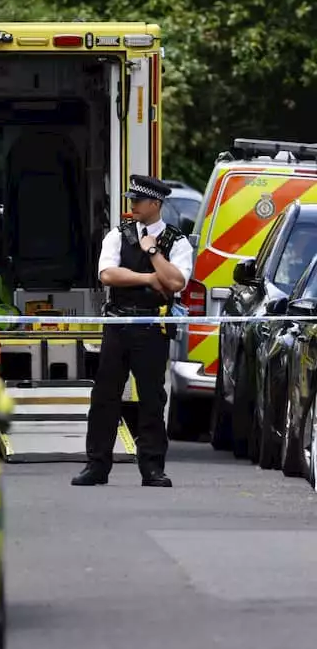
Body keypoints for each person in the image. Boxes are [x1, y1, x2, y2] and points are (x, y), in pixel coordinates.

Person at [72, 175, 194, 488]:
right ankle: (96, 465)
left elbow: (177, 282)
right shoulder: (118, 235)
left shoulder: (176, 242)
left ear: (155, 204)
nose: (132, 206)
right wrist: (149, 279)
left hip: (152, 325)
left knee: (152, 398)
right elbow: (107, 274)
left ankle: (152, 467)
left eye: (138, 201)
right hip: (118, 323)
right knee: (104, 397)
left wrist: (153, 252)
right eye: (131, 200)